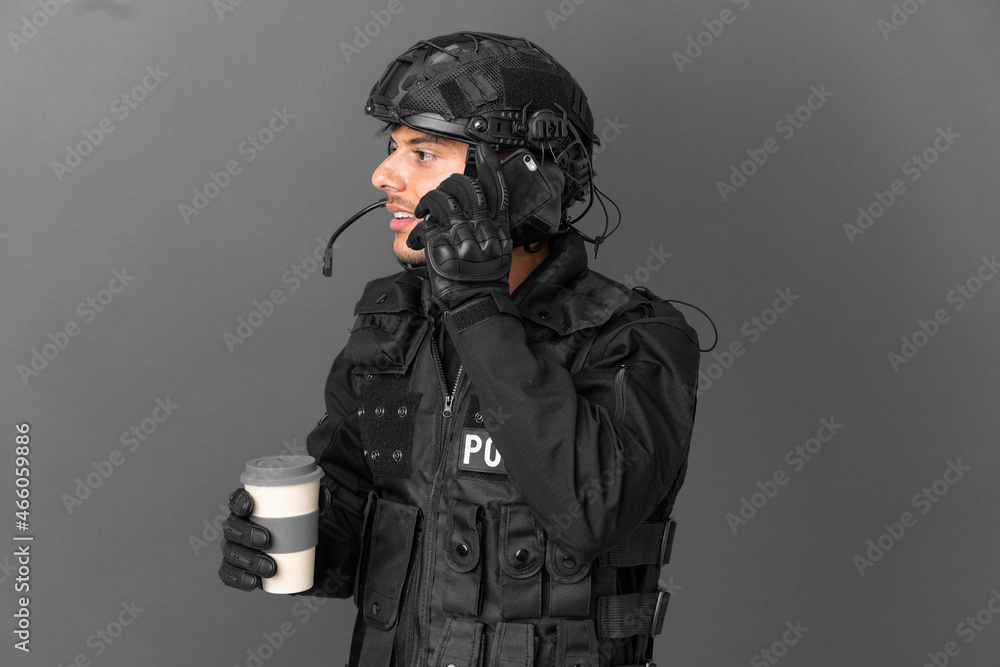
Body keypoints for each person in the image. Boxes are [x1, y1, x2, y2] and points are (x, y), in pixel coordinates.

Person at [219, 31, 701, 667]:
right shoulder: (393, 326)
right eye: (393, 150)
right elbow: (360, 506)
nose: (384, 175)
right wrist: (288, 548)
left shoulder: (630, 338)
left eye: (423, 153)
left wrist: (478, 309)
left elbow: (590, 511)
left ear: (520, 178)